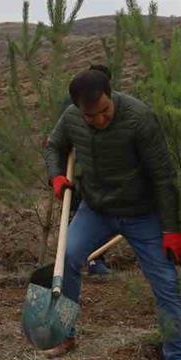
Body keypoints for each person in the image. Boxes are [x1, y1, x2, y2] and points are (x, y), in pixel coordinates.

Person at [41, 67, 181, 360]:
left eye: (105, 111)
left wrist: (171, 228)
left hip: (143, 214)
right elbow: (54, 146)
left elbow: (164, 176)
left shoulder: (140, 118)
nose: (100, 120)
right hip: (97, 209)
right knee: (69, 256)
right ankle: (66, 334)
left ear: (111, 95)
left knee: (165, 282)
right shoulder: (72, 117)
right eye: (91, 116)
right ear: (79, 110)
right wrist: (56, 174)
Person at [61, 64, 112, 277]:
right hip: (79, 169)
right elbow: (61, 133)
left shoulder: (111, 105)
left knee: (100, 215)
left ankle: (94, 259)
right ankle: (84, 260)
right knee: (77, 214)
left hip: (100, 172)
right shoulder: (72, 104)